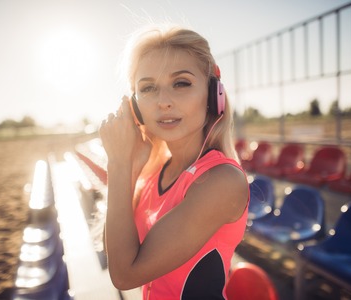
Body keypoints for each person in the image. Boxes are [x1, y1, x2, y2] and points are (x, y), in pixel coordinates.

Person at [99, 25, 250, 299]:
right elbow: (113, 246)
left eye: (181, 83)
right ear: (135, 107)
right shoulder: (156, 170)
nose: (163, 102)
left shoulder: (221, 180)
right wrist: (132, 169)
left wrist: (119, 164)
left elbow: (124, 274)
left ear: (213, 93)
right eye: (148, 88)